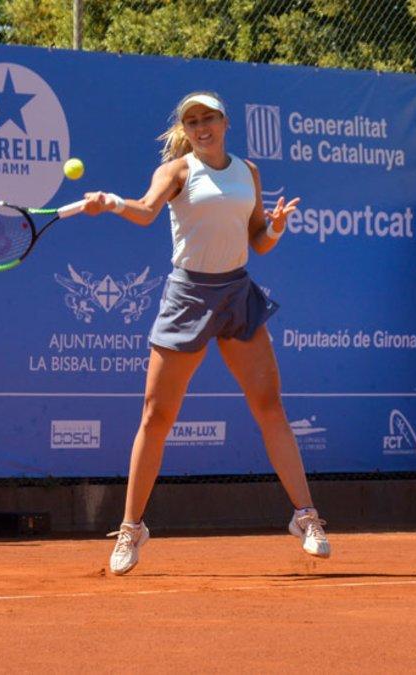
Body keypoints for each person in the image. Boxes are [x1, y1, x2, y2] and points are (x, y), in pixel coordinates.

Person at [79, 91, 330, 575]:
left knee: (270, 405)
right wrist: (111, 203)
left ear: (224, 121)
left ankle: (307, 518)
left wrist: (275, 228)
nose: (201, 126)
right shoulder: (176, 171)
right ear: (186, 129)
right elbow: (147, 210)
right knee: (156, 414)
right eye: (192, 121)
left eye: (208, 118)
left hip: (237, 293)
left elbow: (257, 241)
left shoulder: (248, 172)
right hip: (188, 295)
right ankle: (132, 528)